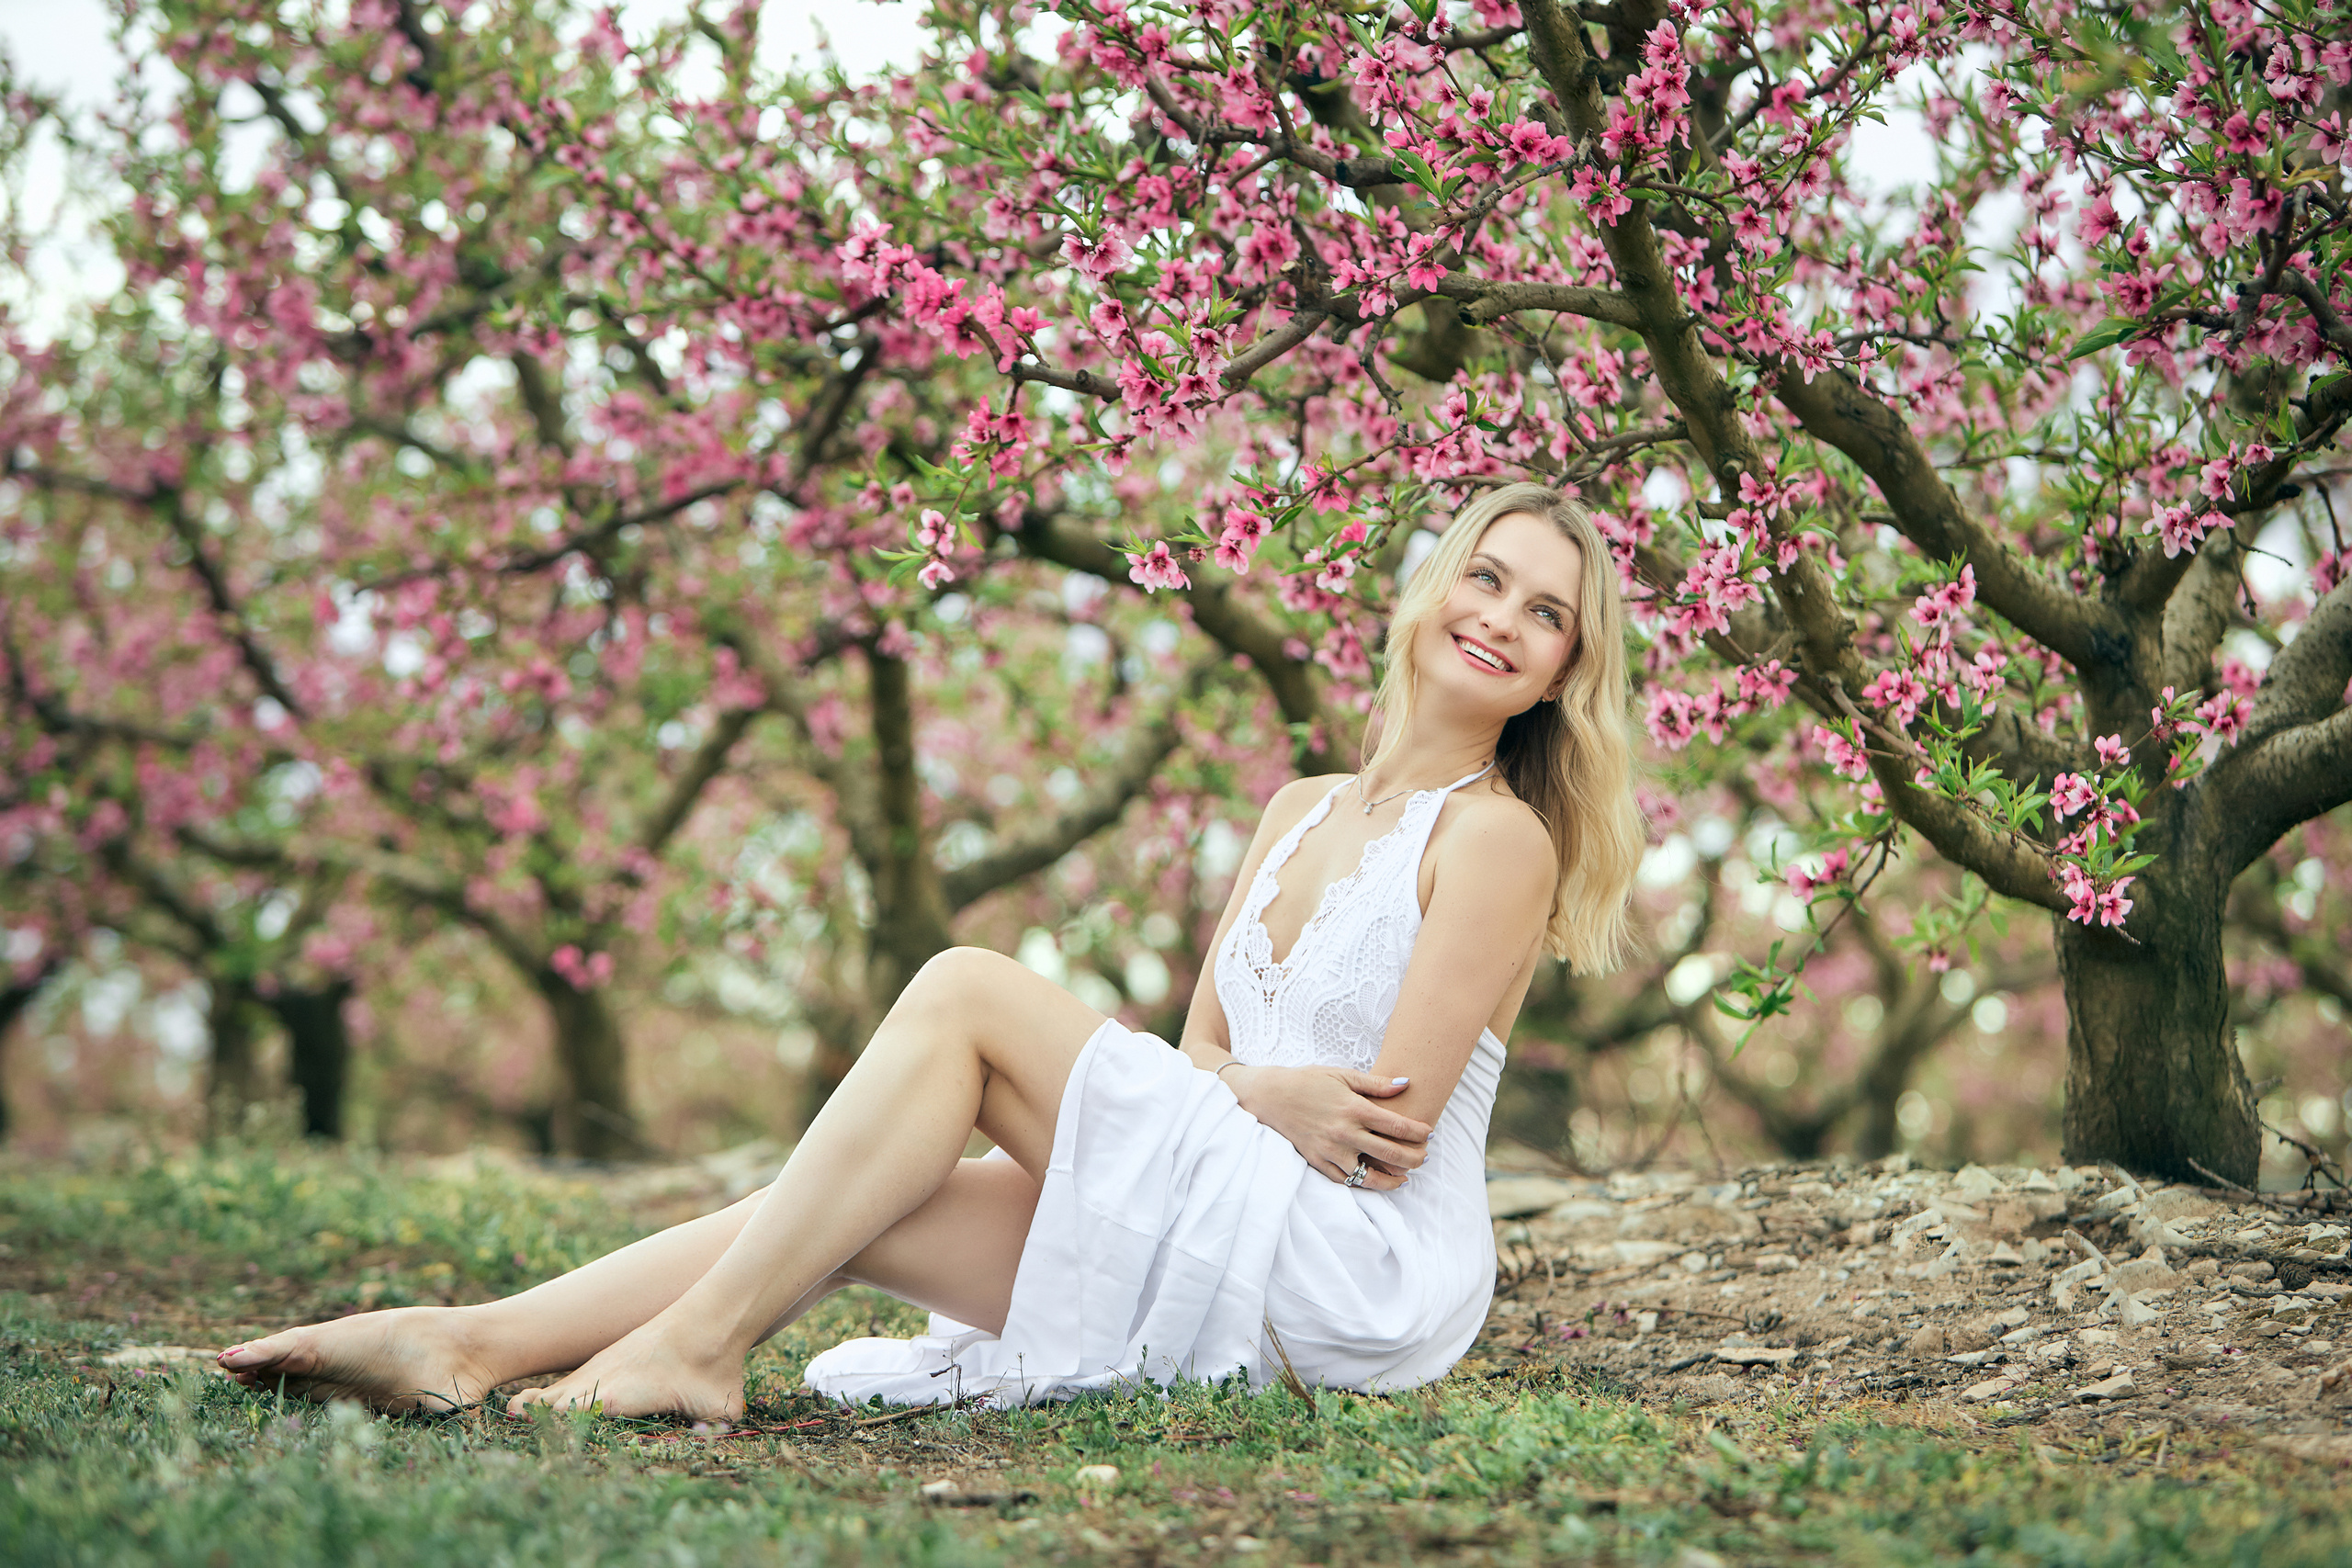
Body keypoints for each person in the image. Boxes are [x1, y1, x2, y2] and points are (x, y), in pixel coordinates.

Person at [215, 482, 1645, 1420]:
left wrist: (1247, 1096)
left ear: (1567, 672)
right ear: (1431, 586)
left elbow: (1380, 1140)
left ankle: (697, 1353)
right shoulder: (1300, 809)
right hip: (1242, 1189)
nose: (1501, 621)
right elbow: (1211, 1054)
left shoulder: (1499, 838)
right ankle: (469, 1342)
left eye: (1547, 616)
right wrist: (1256, 1090)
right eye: (1488, 578)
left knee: (964, 989)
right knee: (861, 1198)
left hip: (1352, 1267)